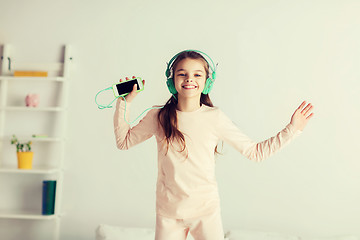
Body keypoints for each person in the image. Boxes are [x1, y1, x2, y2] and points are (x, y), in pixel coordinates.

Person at [113, 50, 314, 240]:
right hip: (168, 213)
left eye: (197, 75)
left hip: (205, 212)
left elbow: (255, 152)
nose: (189, 79)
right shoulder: (158, 116)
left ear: (207, 83)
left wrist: (292, 129)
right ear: (171, 81)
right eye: (182, 74)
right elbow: (124, 142)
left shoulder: (215, 118)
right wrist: (124, 103)